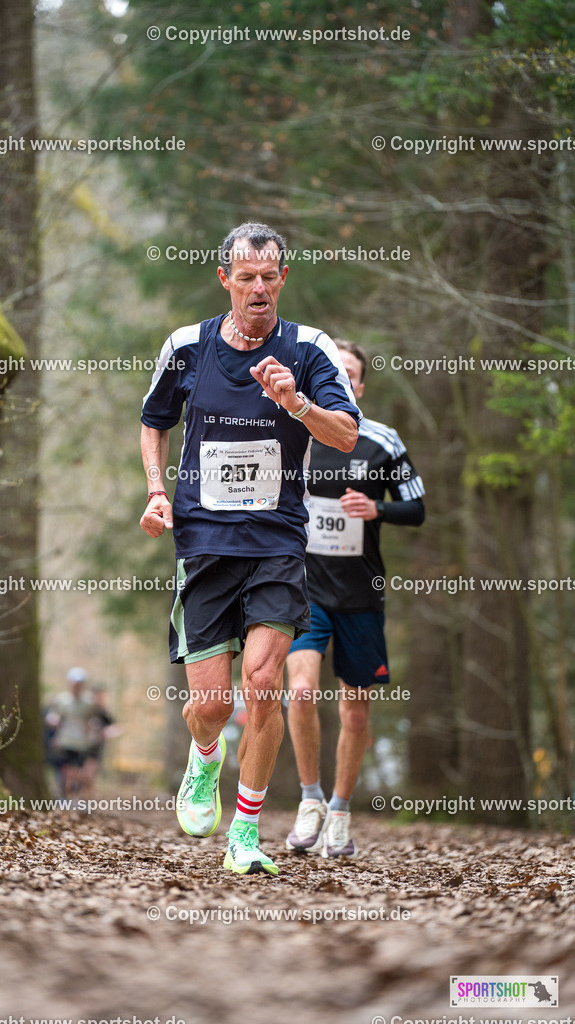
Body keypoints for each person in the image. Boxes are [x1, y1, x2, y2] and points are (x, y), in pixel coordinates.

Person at [140, 222, 361, 876]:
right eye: (246, 277)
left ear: (282, 278)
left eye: (269, 277)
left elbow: (345, 435)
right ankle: (205, 758)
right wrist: (157, 493)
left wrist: (296, 404)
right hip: (204, 542)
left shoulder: (310, 349)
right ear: (224, 279)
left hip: (276, 541)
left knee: (262, 685)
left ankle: (245, 831)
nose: (258, 288)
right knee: (210, 705)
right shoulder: (186, 346)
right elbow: (155, 422)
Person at [285, 340, 425, 859]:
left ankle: (341, 813)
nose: (342, 380)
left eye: (351, 374)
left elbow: (417, 508)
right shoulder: (293, 431)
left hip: (361, 593)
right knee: (299, 691)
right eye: (334, 371)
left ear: (361, 387)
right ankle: (309, 799)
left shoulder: (382, 441)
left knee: (357, 712)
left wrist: (377, 510)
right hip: (303, 589)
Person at [46, 667, 97, 802]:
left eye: (79, 683)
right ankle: (63, 797)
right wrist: (53, 723)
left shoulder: (89, 702)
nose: (77, 686)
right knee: (64, 770)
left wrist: (92, 730)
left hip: (81, 743)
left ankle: (77, 798)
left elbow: (92, 720)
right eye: (75, 683)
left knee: (78, 772)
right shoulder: (61, 700)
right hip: (64, 741)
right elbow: (54, 716)